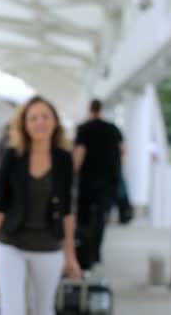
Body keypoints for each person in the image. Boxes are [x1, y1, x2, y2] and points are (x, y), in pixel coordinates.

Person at [0, 96, 82, 315]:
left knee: (43, 309)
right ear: (24, 125)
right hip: (10, 244)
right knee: (12, 310)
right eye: (33, 118)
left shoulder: (63, 160)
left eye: (45, 117)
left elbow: (67, 212)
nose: (39, 122)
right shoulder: (12, 156)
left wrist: (70, 255)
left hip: (48, 246)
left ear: (55, 122)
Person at [73, 99, 125, 269]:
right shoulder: (112, 129)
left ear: (90, 110)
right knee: (101, 218)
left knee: (85, 219)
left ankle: (86, 253)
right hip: (108, 182)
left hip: (87, 182)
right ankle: (96, 252)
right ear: (101, 110)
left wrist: (73, 174)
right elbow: (123, 150)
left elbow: (80, 153)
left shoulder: (84, 129)